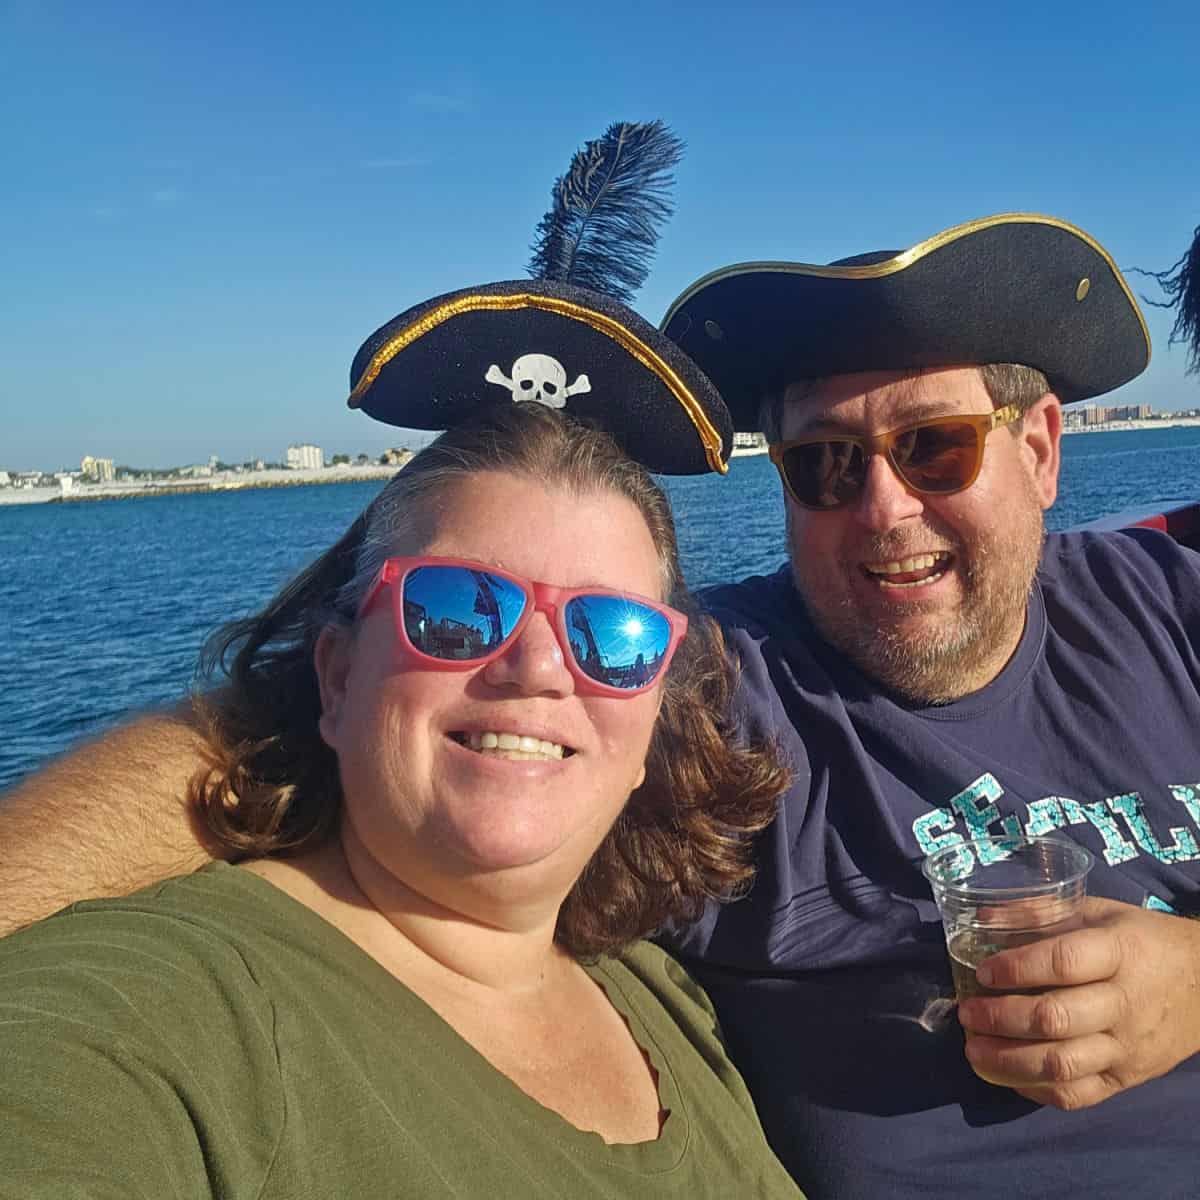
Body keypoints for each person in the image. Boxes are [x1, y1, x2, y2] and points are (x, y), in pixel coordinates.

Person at [5, 212, 1200, 1198]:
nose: (882, 508)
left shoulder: (1171, 605)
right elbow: (261, 755)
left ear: (1042, 449)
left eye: (935, 447)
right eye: (825, 464)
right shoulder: (693, 683)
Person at [0, 281, 804, 1197]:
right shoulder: (167, 1014)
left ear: (655, 711)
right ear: (338, 678)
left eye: (612, 635)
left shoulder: (664, 1002)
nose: (538, 667)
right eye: (460, 608)